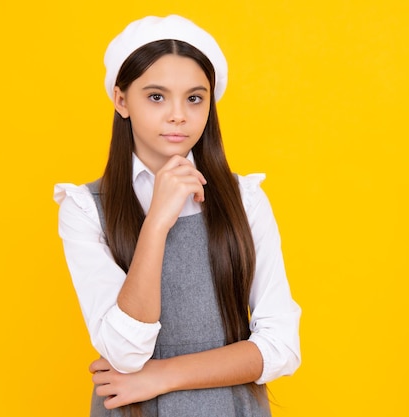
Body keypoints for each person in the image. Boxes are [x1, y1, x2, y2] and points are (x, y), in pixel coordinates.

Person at [54, 14, 301, 417]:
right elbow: (125, 352)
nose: (178, 115)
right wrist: (156, 222)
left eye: (194, 98)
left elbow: (281, 346)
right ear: (121, 100)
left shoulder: (246, 200)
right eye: (156, 97)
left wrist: (162, 375)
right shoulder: (83, 209)